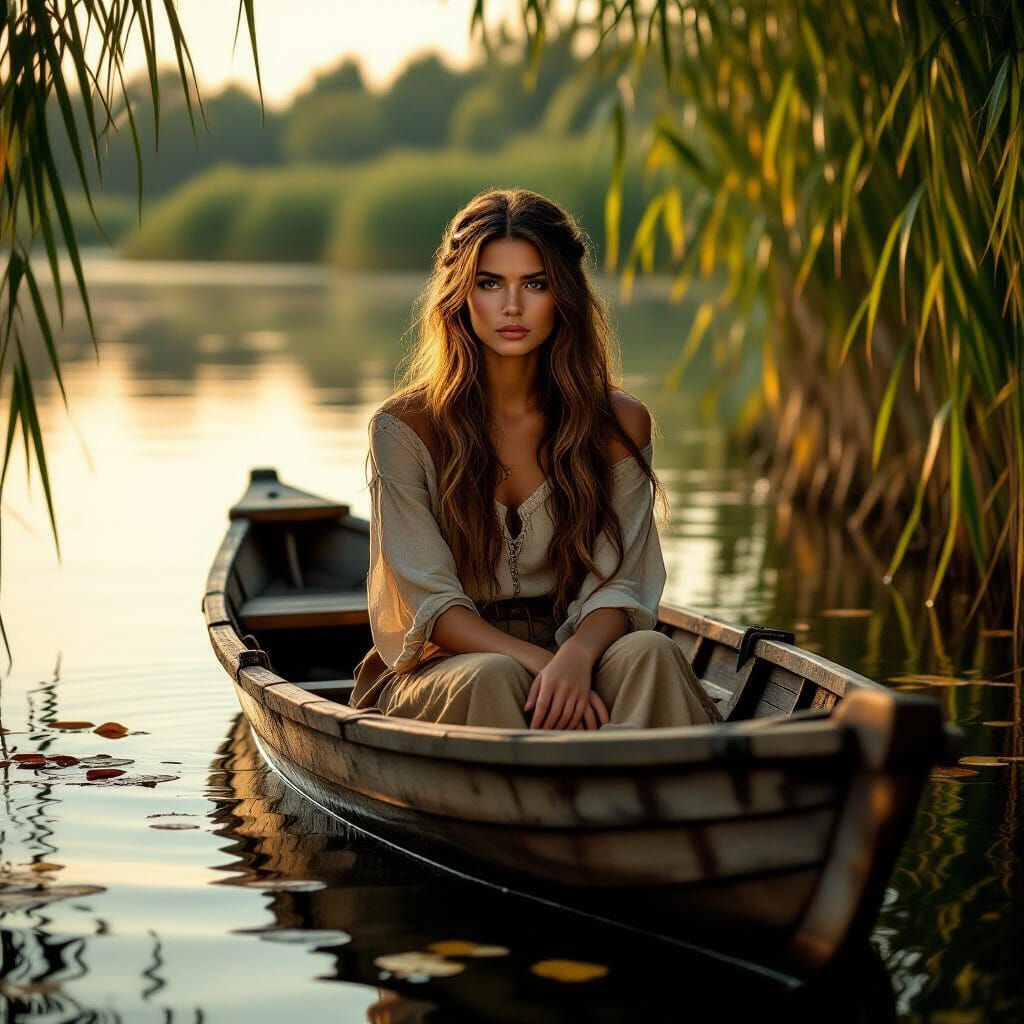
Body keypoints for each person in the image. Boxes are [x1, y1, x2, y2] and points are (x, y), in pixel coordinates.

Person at [351, 187, 721, 731]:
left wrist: (574, 657)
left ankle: (650, 803)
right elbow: (433, 604)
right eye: (490, 284)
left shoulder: (618, 423)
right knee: (494, 675)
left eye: (535, 284)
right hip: (448, 668)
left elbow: (621, 584)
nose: (512, 307)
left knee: (653, 654)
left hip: (579, 644)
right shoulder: (406, 429)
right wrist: (541, 663)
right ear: (460, 295)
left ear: (563, 296)